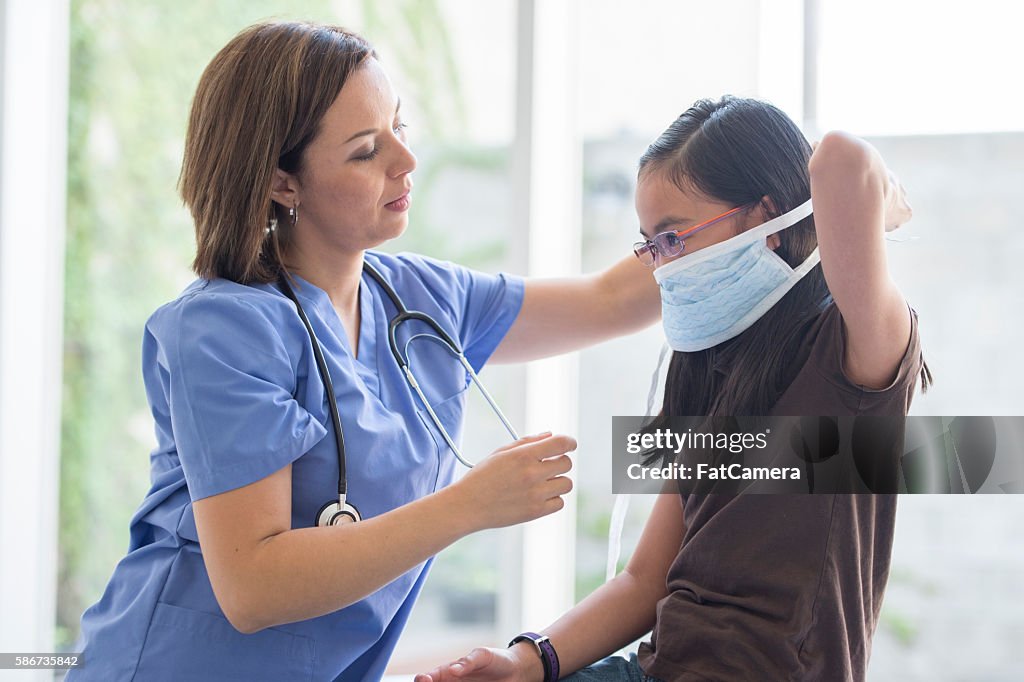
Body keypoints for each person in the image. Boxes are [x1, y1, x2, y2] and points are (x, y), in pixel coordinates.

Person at [68, 21, 661, 681]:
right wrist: (469, 504)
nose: (406, 162)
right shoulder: (223, 330)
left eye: (400, 129)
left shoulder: (419, 298)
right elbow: (252, 587)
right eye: (365, 150)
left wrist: (768, 219)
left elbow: (613, 300)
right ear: (282, 184)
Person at [415, 96, 931, 682]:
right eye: (650, 244)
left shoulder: (853, 352)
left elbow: (843, 159)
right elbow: (644, 582)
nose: (661, 265)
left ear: (765, 217)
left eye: (674, 237)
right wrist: (526, 661)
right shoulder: (704, 364)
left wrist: (881, 209)